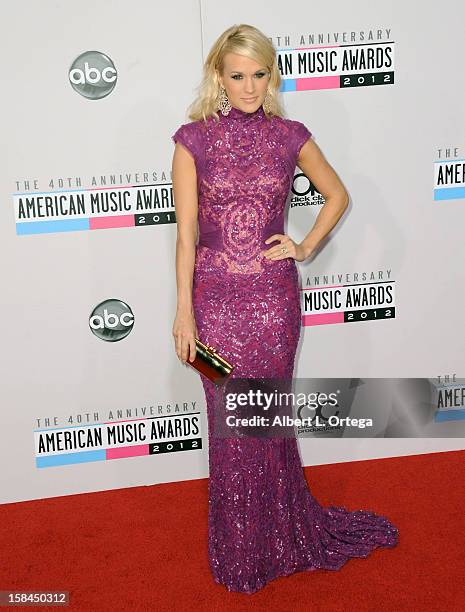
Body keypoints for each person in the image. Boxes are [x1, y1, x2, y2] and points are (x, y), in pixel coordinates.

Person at [171, 23, 398, 595]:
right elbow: (186, 235)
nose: (249, 87)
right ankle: (241, 549)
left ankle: (282, 537)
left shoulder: (289, 135)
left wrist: (305, 245)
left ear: (273, 75)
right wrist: (183, 313)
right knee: (228, 423)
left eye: (259, 74)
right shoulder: (191, 139)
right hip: (214, 305)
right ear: (218, 77)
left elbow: (338, 194)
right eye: (237, 75)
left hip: (273, 302)